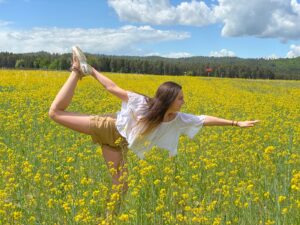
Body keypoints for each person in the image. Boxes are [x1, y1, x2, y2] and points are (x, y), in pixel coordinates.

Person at [48, 46, 260, 200]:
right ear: (169, 100)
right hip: (108, 126)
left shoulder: (177, 119)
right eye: (180, 98)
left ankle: (108, 219)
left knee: (120, 187)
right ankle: (77, 70)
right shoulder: (143, 103)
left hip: (118, 144)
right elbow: (112, 87)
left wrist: (235, 123)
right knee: (56, 113)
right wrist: (91, 71)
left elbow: (203, 119)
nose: (184, 101)